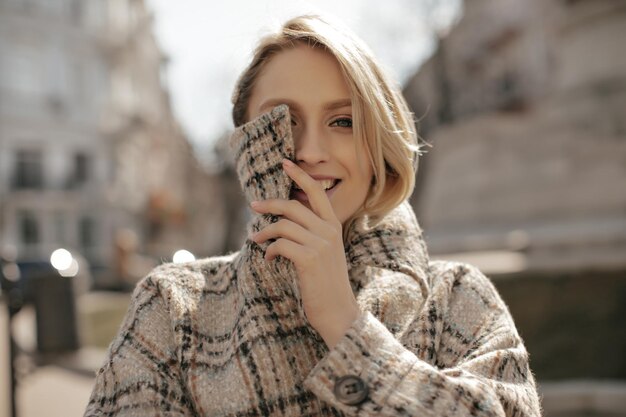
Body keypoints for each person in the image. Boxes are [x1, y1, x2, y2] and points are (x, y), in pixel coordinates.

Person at [84, 14, 542, 417]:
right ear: (244, 146)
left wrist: (345, 327)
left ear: (376, 148)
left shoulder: (458, 298)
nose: (310, 152)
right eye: (282, 121)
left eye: (342, 121)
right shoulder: (172, 308)